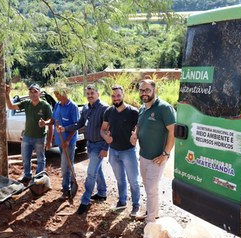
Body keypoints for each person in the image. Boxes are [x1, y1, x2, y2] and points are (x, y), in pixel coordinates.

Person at [130, 79, 176, 223]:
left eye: (147, 90)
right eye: (141, 90)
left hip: (157, 158)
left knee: (151, 189)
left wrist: (166, 154)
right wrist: (135, 135)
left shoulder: (164, 108)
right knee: (149, 187)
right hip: (143, 156)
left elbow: (172, 132)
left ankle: (150, 222)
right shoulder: (142, 108)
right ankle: (152, 213)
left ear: (154, 90)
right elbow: (139, 125)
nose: (144, 93)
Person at [58, 84, 109, 215]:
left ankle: (85, 201)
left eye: (92, 93)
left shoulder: (104, 109)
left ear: (98, 94)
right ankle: (102, 192)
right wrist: (65, 129)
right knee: (97, 170)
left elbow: (109, 130)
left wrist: (105, 148)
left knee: (91, 173)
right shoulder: (86, 108)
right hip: (90, 144)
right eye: (88, 94)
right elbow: (79, 124)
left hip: (99, 145)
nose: (90, 95)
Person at [100, 85, 141, 217]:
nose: (116, 98)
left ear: (123, 95)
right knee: (120, 179)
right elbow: (103, 129)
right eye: (113, 96)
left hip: (128, 151)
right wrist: (106, 137)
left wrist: (136, 136)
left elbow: (140, 127)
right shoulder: (109, 112)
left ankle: (136, 205)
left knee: (133, 180)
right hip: (114, 151)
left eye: (118, 95)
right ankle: (122, 201)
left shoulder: (133, 112)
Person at [39, 83, 80, 199]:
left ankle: (66, 189)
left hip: (69, 142)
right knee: (68, 164)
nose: (56, 96)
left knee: (65, 165)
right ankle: (70, 185)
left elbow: (76, 125)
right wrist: (45, 123)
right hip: (60, 141)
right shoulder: (57, 105)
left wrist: (67, 140)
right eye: (55, 93)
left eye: (58, 93)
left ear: (65, 92)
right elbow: (53, 119)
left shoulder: (73, 107)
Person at [6, 83, 52, 183]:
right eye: (31, 92)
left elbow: (51, 121)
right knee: (25, 158)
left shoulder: (45, 106)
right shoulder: (26, 103)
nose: (33, 94)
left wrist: (45, 123)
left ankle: (39, 178)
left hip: (39, 137)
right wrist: (7, 94)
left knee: (40, 159)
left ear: (39, 93)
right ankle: (27, 175)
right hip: (27, 136)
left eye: (35, 92)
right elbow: (10, 106)